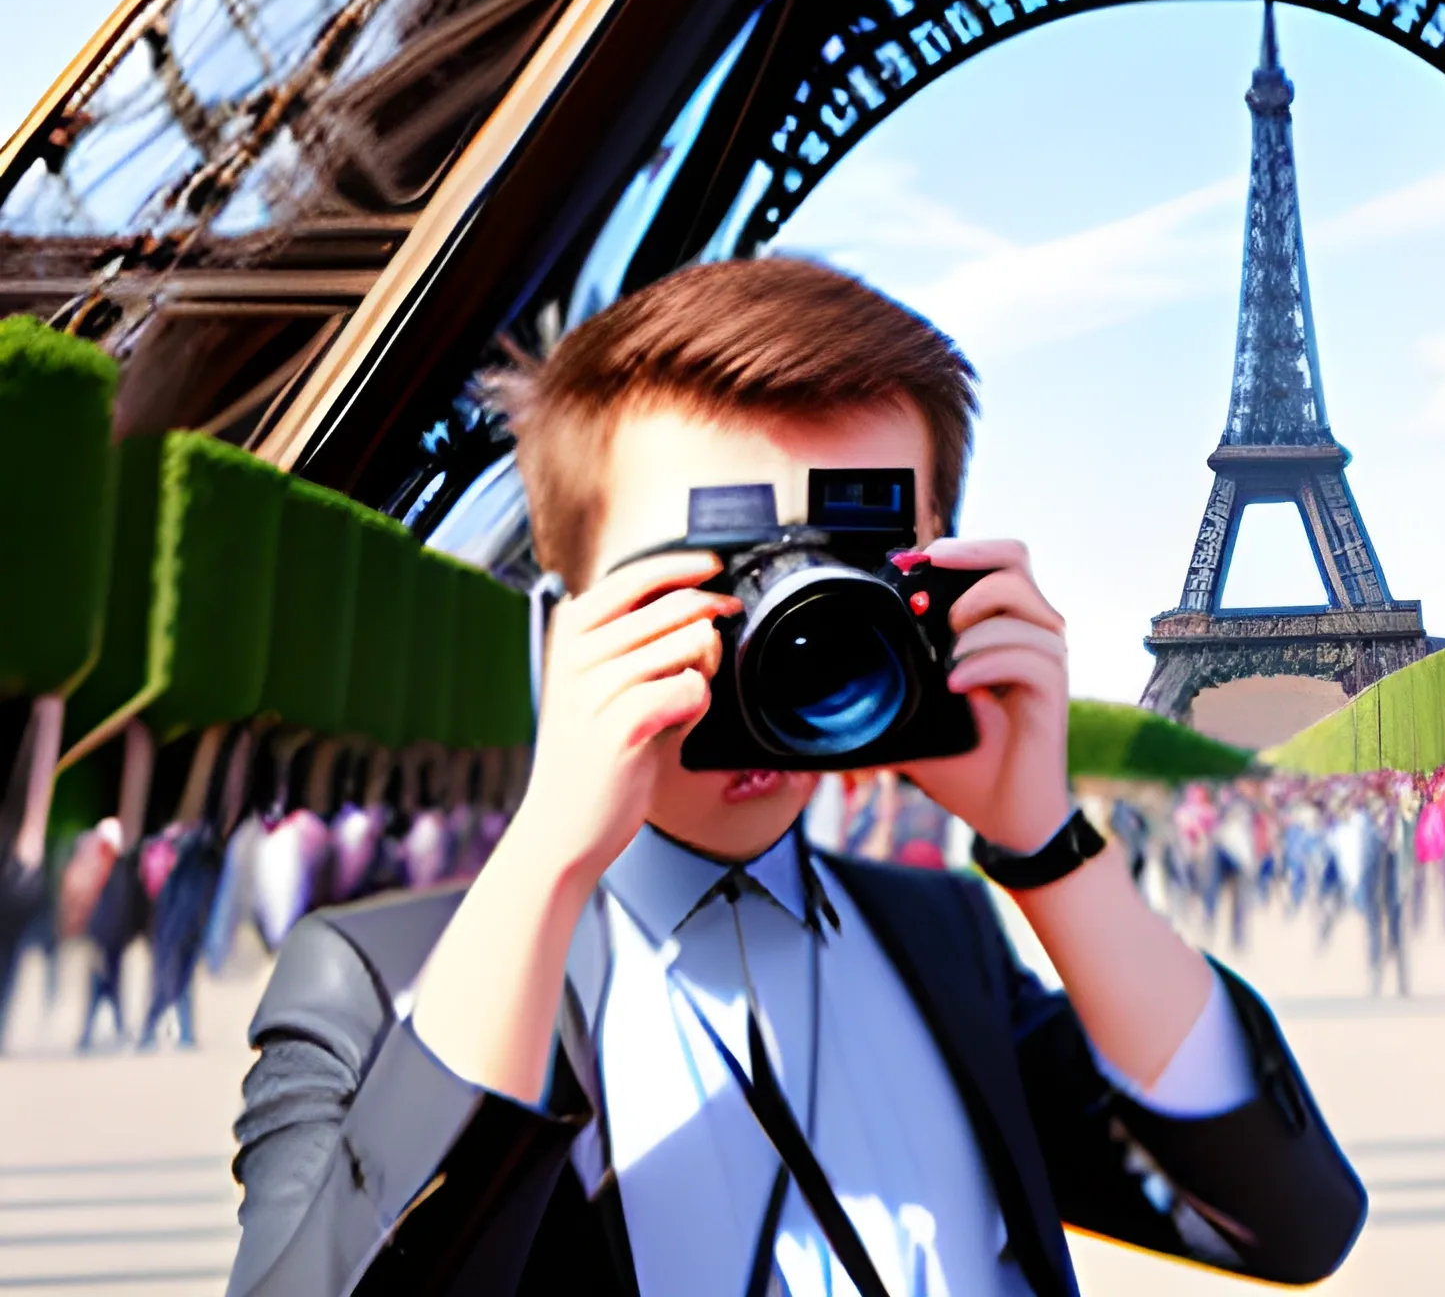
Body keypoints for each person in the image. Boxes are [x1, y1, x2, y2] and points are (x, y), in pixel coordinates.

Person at [226, 259, 1364, 1297]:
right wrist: (545, 854)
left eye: (842, 569)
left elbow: (1285, 1219)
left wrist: (1044, 839)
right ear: (558, 630)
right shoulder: (383, 984)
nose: (790, 631)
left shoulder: (943, 938)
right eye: (705, 580)